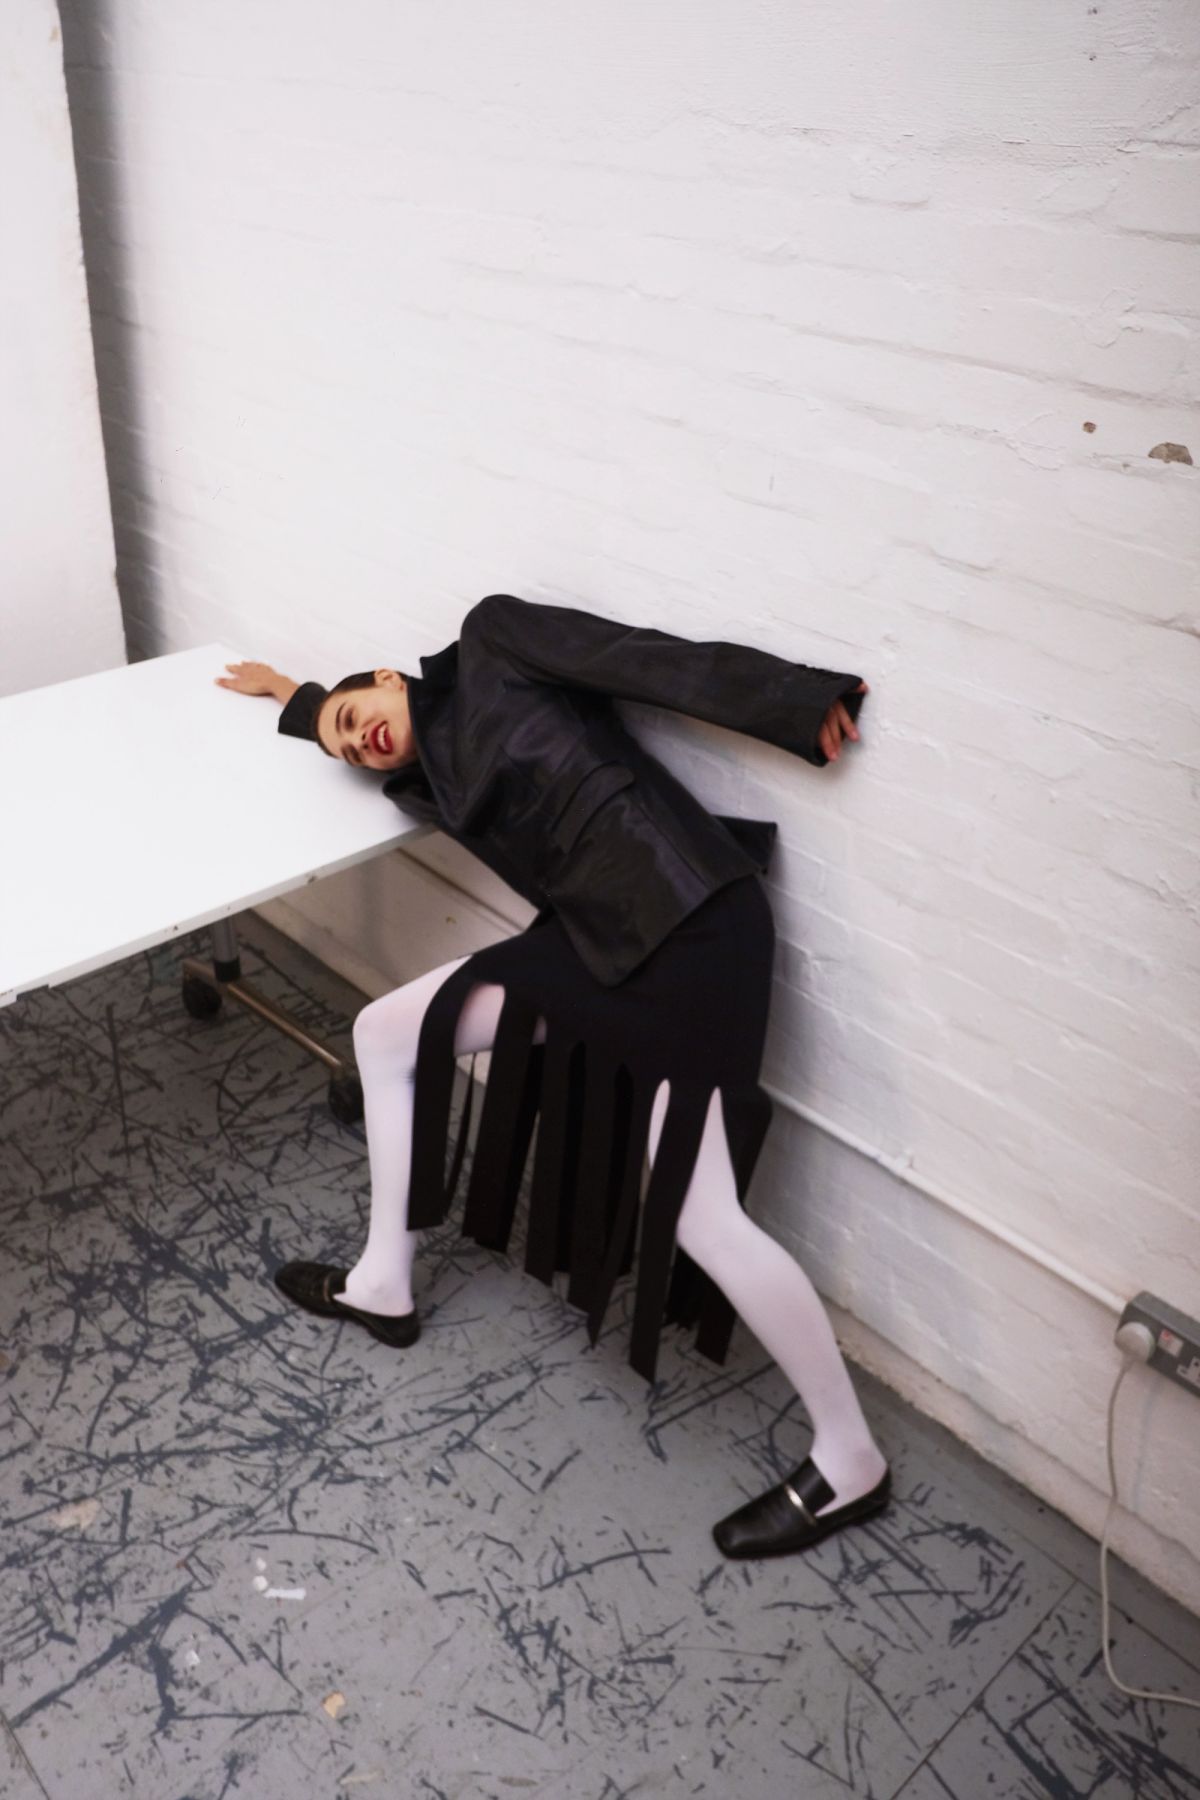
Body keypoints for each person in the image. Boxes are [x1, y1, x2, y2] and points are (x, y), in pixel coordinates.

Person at [215, 593, 890, 1557]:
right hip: (594, 945)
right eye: (346, 748)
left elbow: (642, 657)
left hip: (692, 922)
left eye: (355, 717)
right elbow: (341, 721)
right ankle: (382, 1284)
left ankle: (851, 1458)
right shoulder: (426, 773)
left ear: (388, 675)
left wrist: (793, 703)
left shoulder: (493, 643)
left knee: (701, 1217)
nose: (358, 742)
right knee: (387, 1030)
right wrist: (293, 698)